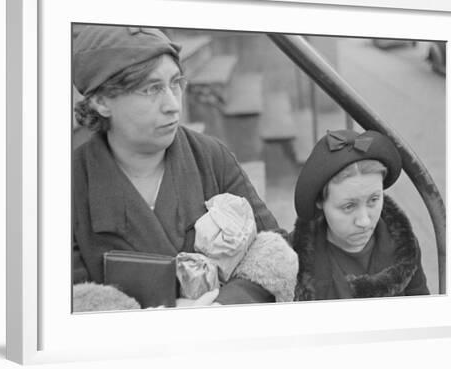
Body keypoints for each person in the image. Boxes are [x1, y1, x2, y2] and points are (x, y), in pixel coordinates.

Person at [71, 25, 297, 311]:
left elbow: (273, 245)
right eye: (151, 89)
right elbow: (68, 298)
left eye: (175, 83)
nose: (173, 105)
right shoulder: (69, 186)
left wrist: (222, 307)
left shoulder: (211, 158)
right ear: (101, 101)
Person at [291, 129, 429, 300]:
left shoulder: (403, 248)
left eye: (373, 200)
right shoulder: (294, 260)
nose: (364, 221)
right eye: (348, 206)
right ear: (320, 202)